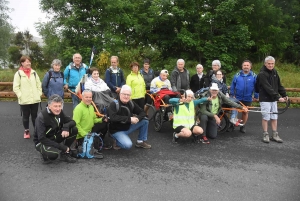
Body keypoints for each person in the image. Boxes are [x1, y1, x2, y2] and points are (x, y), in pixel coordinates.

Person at [33, 94, 78, 163]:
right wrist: (61, 147)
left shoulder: (60, 112)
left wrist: (66, 127)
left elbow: (73, 122)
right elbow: (41, 138)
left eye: (60, 106)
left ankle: (64, 154)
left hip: (54, 137)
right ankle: (44, 153)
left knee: (73, 129)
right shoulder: (41, 117)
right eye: (55, 106)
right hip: (42, 141)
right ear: (49, 106)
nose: (58, 109)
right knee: (53, 155)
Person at [108, 85, 151, 150]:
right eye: (124, 94)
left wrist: (138, 118)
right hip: (116, 131)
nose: (126, 96)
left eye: (128, 95)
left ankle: (140, 142)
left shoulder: (131, 103)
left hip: (127, 127)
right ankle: (116, 140)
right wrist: (130, 119)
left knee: (145, 121)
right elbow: (113, 118)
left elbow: (142, 112)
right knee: (128, 145)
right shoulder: (114, 104)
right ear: (120, 94)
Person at [257, 56, 288, 143]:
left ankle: (275, 134)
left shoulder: (274, 72)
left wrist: (284, 95)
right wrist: (278, 97)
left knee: (274, 116)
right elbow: (267, 87)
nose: (270, 65)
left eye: (272, 64)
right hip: (265, 99)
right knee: (266, 117)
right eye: (269, 63)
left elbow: (279, 85)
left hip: (273, 99)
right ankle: (265, 134)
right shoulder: (262, 74)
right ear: (265, 64)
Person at [73, 89, 109, 158]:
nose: (89, 99)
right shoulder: (78, 109)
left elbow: (94, 119)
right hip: (81, 134)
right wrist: (85, 134)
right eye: (86, 97)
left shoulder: (91, 107)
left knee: (104, 124)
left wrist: (102, 119)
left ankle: (94, 144)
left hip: (89, 131)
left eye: (90, 97)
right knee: (91, 145)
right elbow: (76, 124)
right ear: (82, 97)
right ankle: (85, 146)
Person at [13, 56, 42, 139]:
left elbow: (38, 84)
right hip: (24, 100)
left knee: (35, 116)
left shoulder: (34, 73)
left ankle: (36, 131)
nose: (28, 63)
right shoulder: (18, 74)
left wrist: (39, 93)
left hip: (34, 99)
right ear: (22, 63)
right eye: (26, 61)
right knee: (25, 117)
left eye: (29, 61)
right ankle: (26, 131)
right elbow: (16, 87)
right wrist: (20, 96)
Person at [229, 60, 259, 133]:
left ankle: (242, 126)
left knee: (245, 112)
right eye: (244, 65)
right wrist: (232, 94)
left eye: (247, 65)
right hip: (237, 97)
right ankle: (232, 125)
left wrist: (256, 95)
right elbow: (233, 85)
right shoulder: (237, 75)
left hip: (248, 97)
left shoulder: (254, 76)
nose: (246, 67)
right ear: (242, 67)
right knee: (234, 110)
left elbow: (257, 87)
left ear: (250, 67)